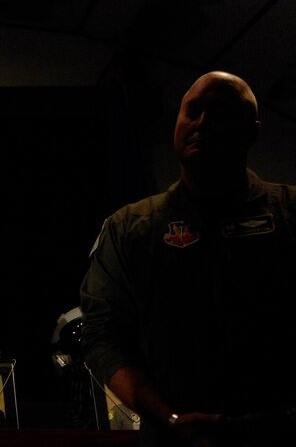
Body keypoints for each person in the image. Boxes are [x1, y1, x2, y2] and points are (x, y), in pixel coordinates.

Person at [80, 71, 296, 446]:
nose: (203, 122)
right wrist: (170, 418)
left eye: (222, 112)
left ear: (252, 131)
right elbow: (103, 335)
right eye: (192, 110)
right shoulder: (131, 228)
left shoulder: (290, 214)